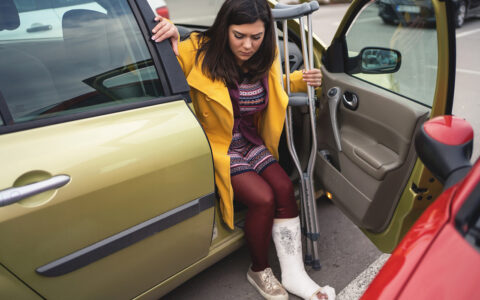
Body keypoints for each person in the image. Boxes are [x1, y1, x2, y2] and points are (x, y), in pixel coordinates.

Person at [151, 1, 335, 299]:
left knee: (284, 189)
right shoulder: (196, 51)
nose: (248, 45)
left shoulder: (265, 56)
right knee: (263, 199)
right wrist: (171, 34)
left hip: (250, 140)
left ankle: (293, 273)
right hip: (221, 146)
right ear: (224, 28)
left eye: (256, 36)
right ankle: (259, 270)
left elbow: (272, 88)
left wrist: (301, 81)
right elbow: (169, 60)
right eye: (239, 36)